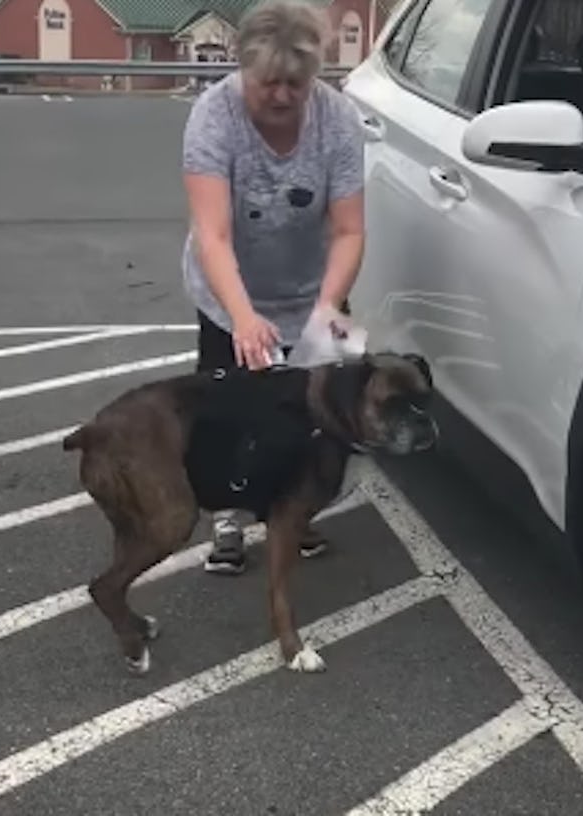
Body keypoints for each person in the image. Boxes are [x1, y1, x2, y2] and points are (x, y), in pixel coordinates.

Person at [181, 0, 366, 575]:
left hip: (312, 289)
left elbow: (349, 229)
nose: (283, 95)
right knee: (229, 407)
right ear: (244, 70)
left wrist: (328, 304)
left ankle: (294, 510)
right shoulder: (214, 118)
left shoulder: (338, 121)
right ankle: (229, 517)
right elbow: (212, 234)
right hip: (229, 290)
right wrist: (241, 317)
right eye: (269, 83)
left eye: (297, 82)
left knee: (311, 414)